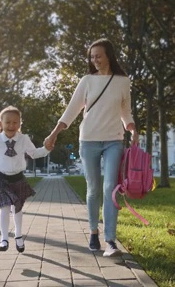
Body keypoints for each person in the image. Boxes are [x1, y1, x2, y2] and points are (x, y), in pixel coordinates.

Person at [44, 38, 138, 258]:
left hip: (114, 139)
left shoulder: (123, 81)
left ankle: (110, 241)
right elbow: (71, 110)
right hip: (88, 140)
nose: (95, 60)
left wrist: (132, 130)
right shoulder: (87, 80)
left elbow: (126, 112)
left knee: (110, 188)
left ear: (109, 56)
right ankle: (93, 231)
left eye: (99, 56)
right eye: (92, 56)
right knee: (94, 189)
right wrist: (53, 133)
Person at [0, 106, 51, 253]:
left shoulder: (23, 139)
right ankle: (3, 239)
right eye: (8, 122)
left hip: (18, 178)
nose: (11, 125)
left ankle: (18, 236)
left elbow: (34, 153)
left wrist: (46, 149)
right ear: (0, 124)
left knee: (17, 207)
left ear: (20, 124)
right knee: (4, 207)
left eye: (15, 122)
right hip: (0, 178)